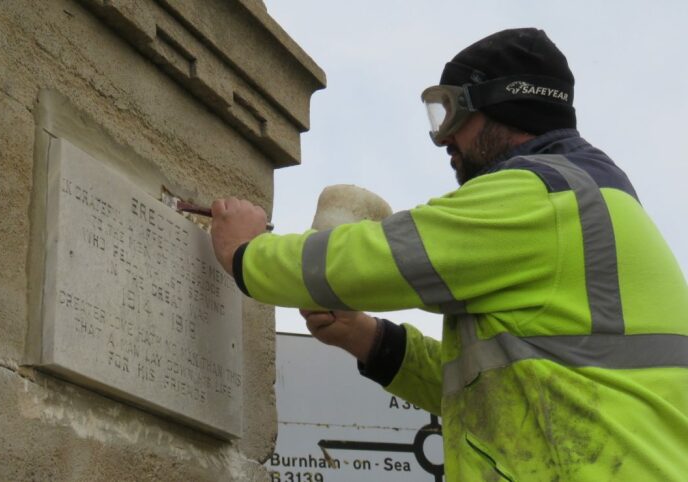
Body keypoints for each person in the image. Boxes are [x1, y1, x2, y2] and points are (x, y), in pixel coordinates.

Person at [210, 28, 688, 481]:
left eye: (449, 112)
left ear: (504, 103)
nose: (443, 141)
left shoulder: (540, 197)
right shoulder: (590, 198)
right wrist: (371, 340)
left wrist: (246, 253)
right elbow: (496, 394)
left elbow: (376, 258)